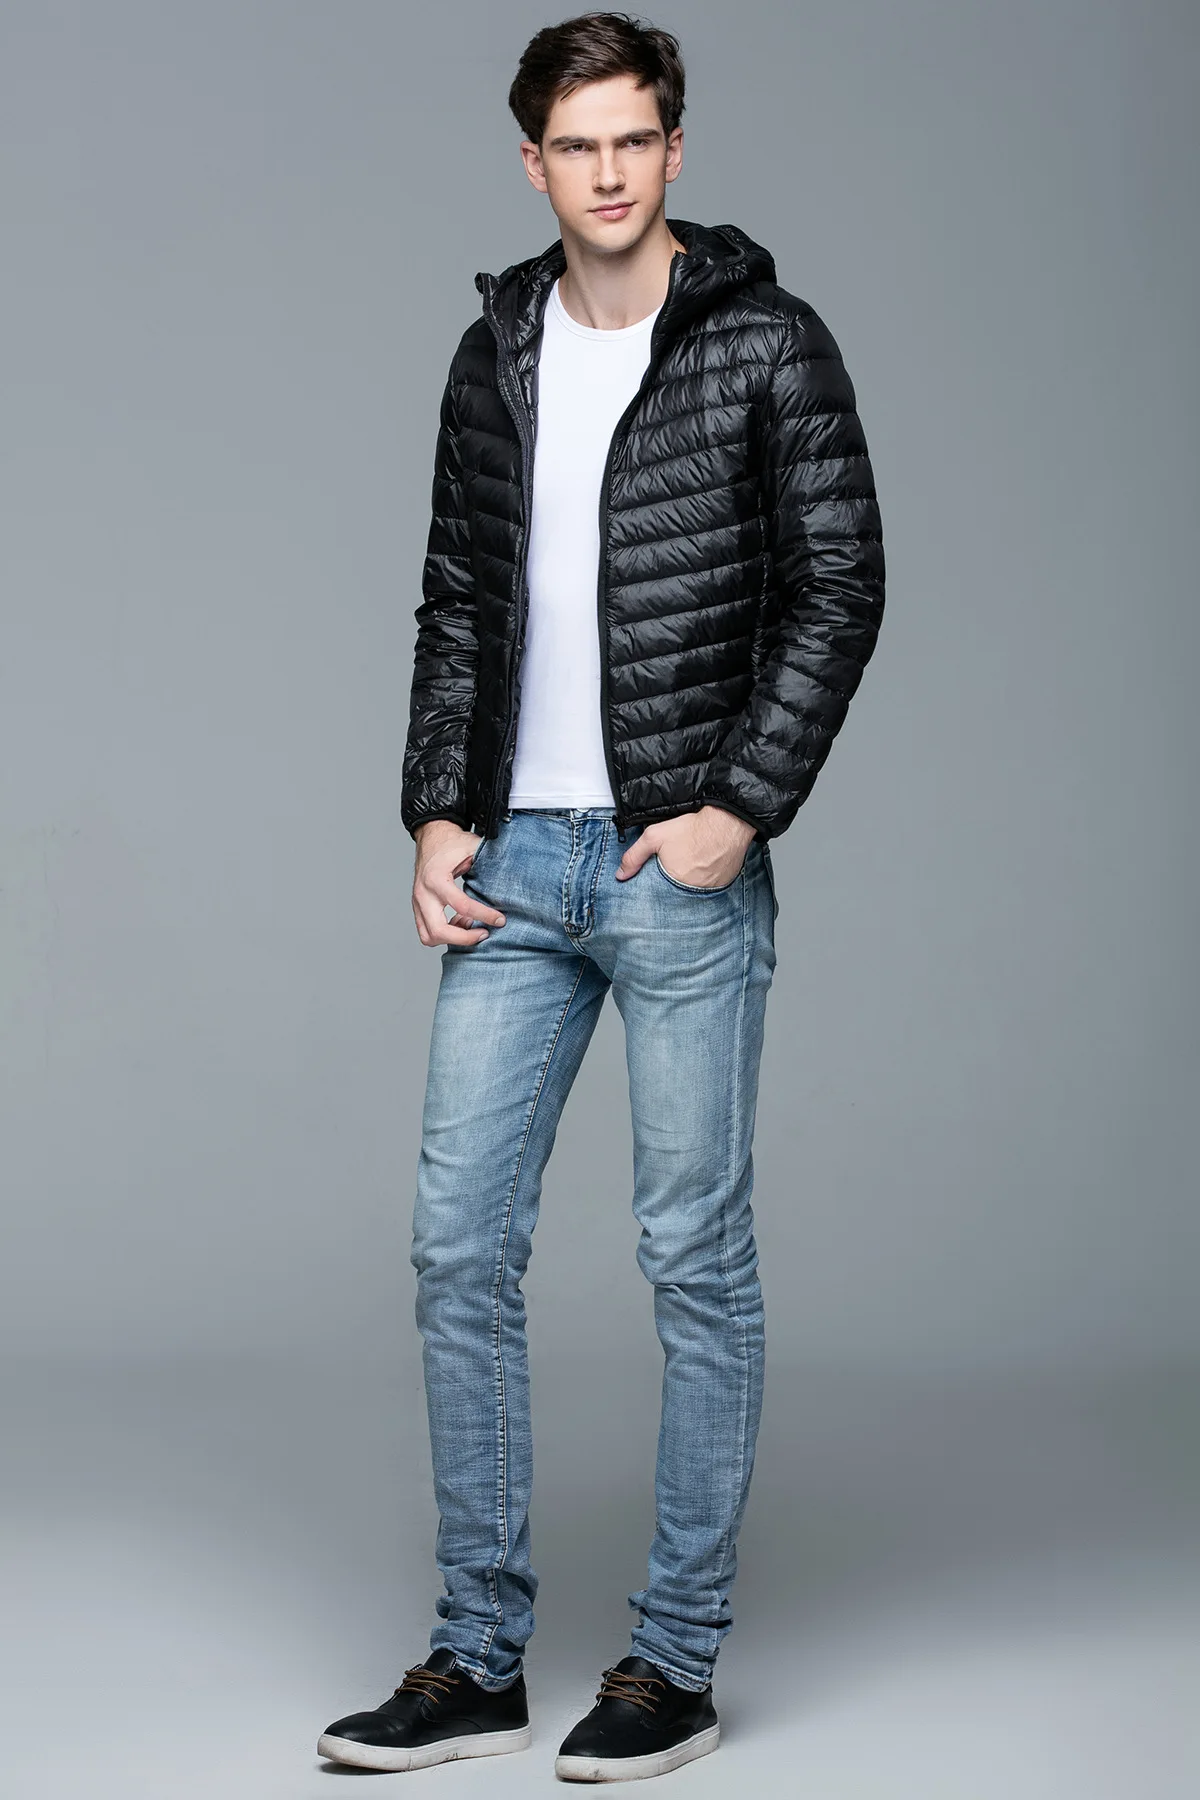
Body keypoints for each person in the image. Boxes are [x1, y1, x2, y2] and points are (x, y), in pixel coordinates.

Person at [318, 9, 884, 1784]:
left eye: (638, 137)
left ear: (676, 149)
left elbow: (841, 583)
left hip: (672, 866)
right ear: (534, 164)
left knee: (691, 1257)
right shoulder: (494, 351)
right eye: (580, 145)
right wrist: (435, 810)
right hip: (517, 860)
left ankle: (674, 1664)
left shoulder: (767, 343)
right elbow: (455, 597)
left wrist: (739, 807)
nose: (612, 171)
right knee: (456, 1243)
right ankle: (478, 1656)